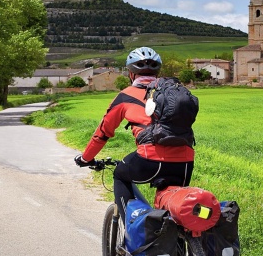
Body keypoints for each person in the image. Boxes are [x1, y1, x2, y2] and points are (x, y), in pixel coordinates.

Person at [74, 47, 194, 222]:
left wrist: (86, 158)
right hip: (184, 162)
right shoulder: (174, 93)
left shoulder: (125, 97)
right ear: (157, 72)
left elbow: (102, 134)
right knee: (176, 212)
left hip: (149, 160)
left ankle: (129, 231)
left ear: (131, 74)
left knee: (120, 174)